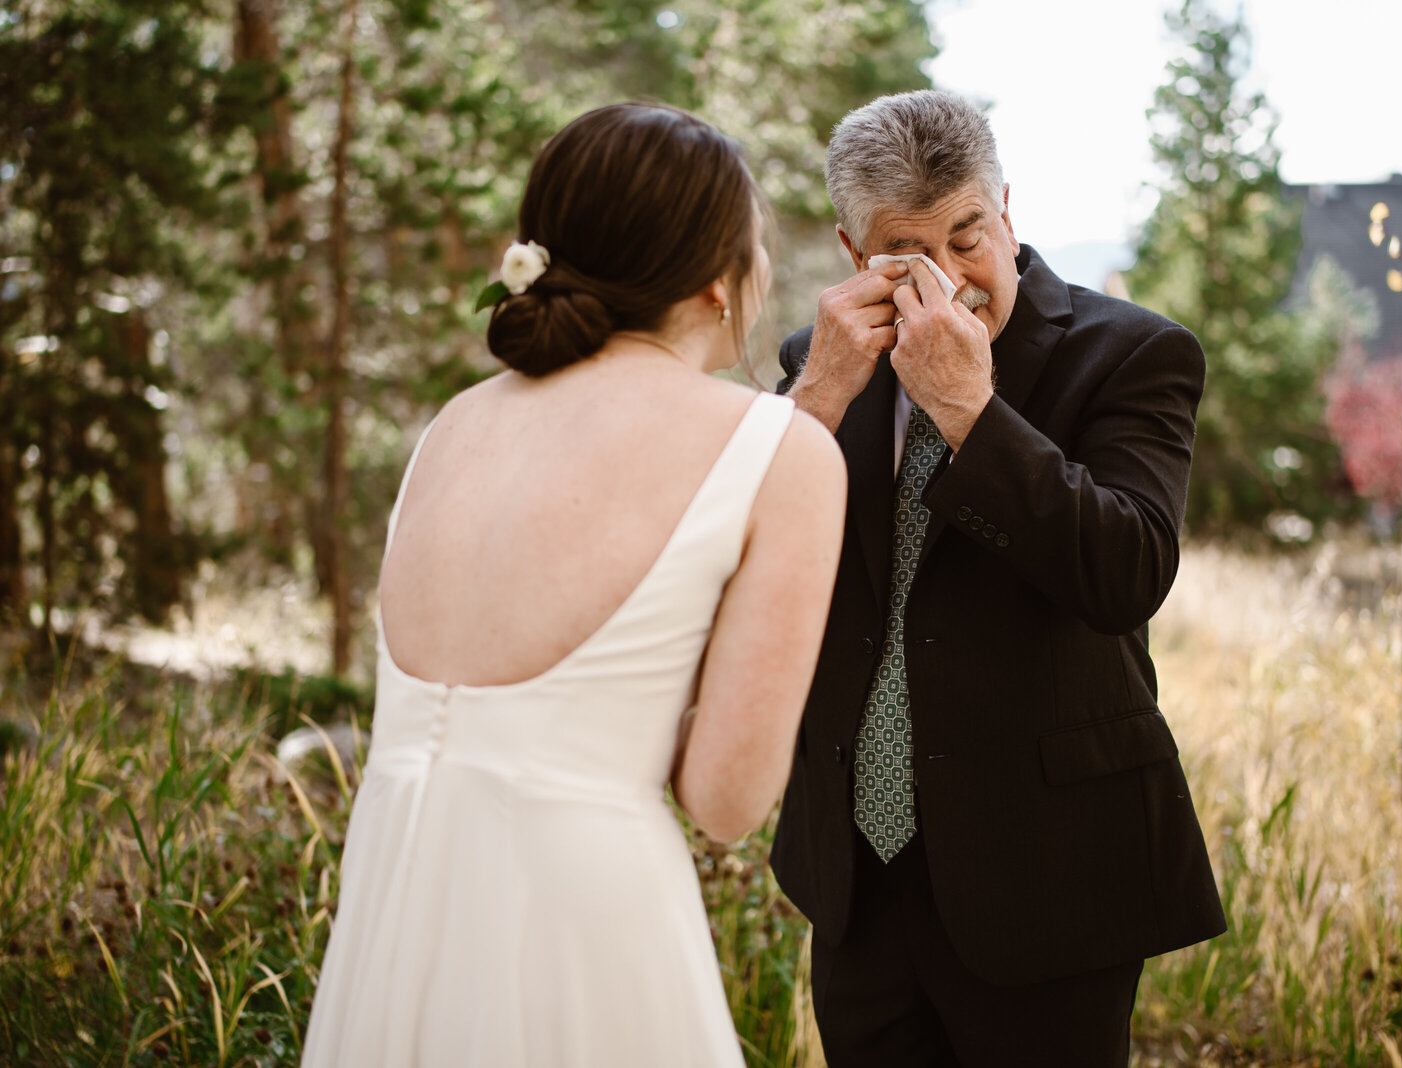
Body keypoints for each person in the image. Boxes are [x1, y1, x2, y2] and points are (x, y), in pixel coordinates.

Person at [300, 102, 847, 1067]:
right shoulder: (782, 452)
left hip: (397, 906)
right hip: (580, 929)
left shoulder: (452, 430)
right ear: (720, 282)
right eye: (755, 242)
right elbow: (726, 803)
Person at [770, 90, 1227, 1066]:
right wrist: (808, 406)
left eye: (968, 237)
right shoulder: (820, 366)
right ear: (856, 256)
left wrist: (970, 411)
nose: (952, 281)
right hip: (859, 875)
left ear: (1008, 209)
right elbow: (741, 566)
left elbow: (1125, 571)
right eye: (909, 254)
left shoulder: (1134, 354)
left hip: (1049, 879)